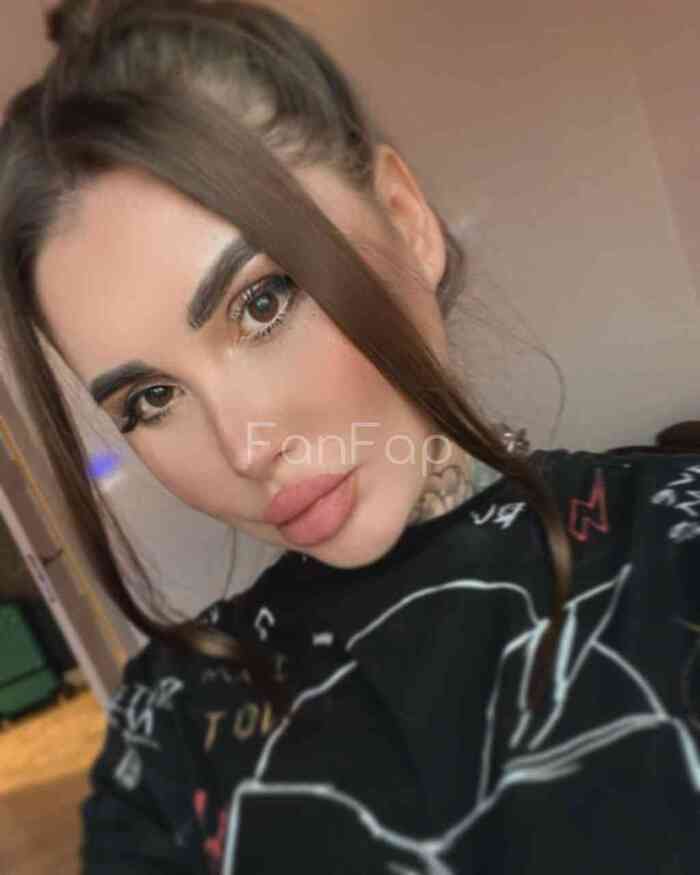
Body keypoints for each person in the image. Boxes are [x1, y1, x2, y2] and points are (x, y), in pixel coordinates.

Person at [0, 1, 698, 872]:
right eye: (150, 398)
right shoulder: (173, 732)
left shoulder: (678, 540)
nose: (244, 447)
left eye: (262, 301)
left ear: (406, 219)